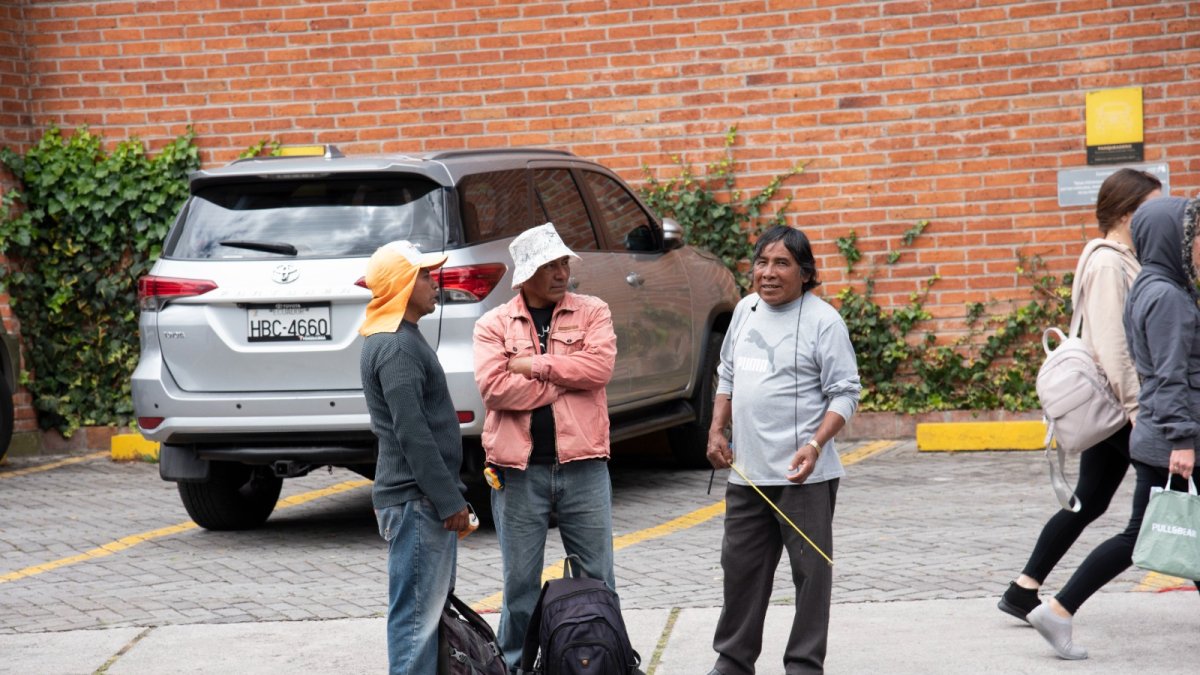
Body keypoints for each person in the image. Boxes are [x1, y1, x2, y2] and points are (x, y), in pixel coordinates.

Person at [1026, 196, 1200, 660]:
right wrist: (1183, 440)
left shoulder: (1150, 283)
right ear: (1174, 241)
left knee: (1160, 533)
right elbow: (1168, 375)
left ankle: (1058, 610)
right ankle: (1059, 609)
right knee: (1138, 536)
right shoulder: (1167, 297)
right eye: (1195, 236)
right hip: (1172, 440)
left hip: (1160, 436)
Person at [998, 168, 1162, 622]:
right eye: (1153, 207)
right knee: (1173, 499)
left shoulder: (1122, 258)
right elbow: (1113, 344)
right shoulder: (1110, 262)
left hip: (1110, 406)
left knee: (1090, 499)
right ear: (1128, 214)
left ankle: (1023, 588)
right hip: (1121, 406)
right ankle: (1057, 606)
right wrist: (1136, 409)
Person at [705, 225, 861, 675]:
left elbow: (846, 393)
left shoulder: (823, 321)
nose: (767, 273)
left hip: (804, 478)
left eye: (782, 264)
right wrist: (718, 429)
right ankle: (733, 661)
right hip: (747, 475)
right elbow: (728, 374)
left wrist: (815, 445)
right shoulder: (745, 310)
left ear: (805, 273)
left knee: (810, 577)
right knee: (741, 572)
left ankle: (804, 665)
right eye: (761, 262)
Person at [472, 222, 618, 670]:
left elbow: (599, 368)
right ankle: (513, 665)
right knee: (519, 586)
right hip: (518, 472)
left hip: (584, 465)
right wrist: (559, 381)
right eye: (549, 265)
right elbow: (494, 389)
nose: (561, 273)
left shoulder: (593, 311)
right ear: (527, 274)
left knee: (597, 578)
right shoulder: (493, 323)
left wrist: (534, 365)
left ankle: (602, 662)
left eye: (563, 263)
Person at [358, 240, 472, 675]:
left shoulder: (397, 336)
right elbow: (413, 434)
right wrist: (449, 501)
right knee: (416, 623)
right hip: (417, 502)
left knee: (423, 616)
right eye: (424, 275)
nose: (433, 282)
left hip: (416, 500)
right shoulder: (396, 346)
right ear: (403, 284)